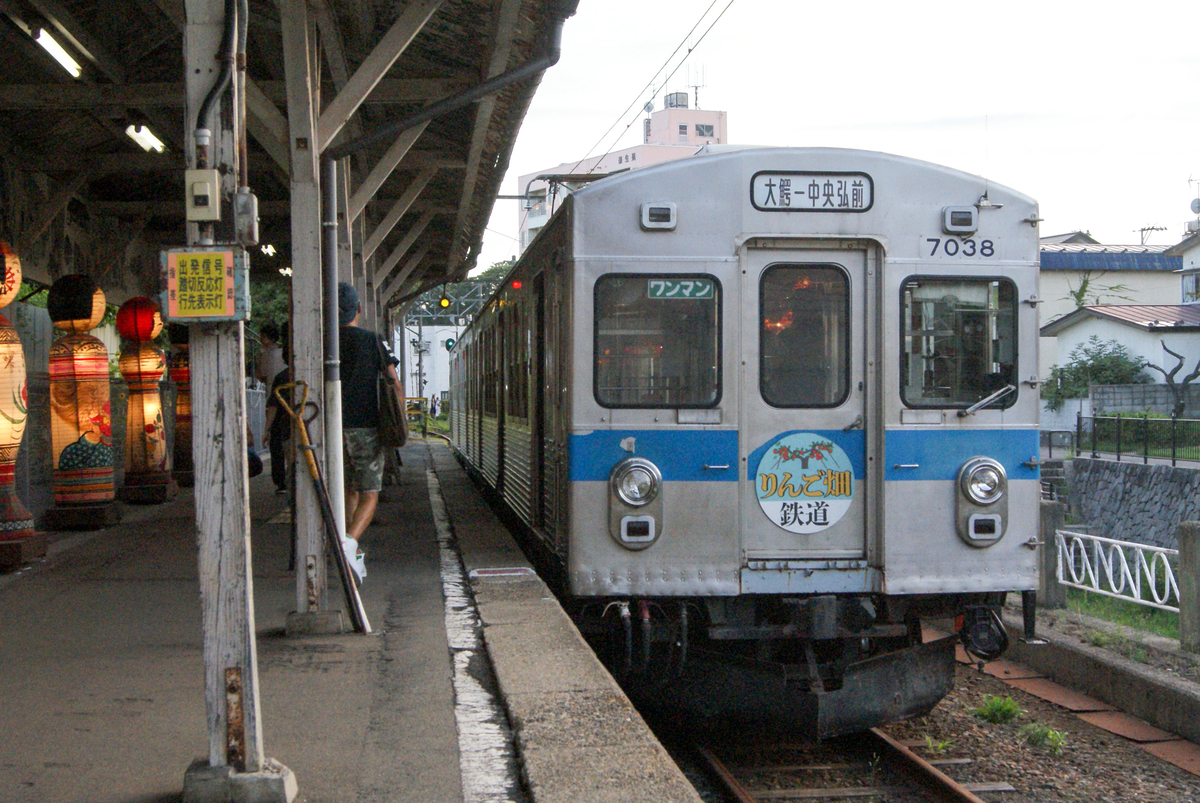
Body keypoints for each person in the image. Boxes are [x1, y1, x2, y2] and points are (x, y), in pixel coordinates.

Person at [338, 282, 403, 580]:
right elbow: (394, 381)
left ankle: (353, 551)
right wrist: (400, 421)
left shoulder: (322, 340)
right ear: (359, 311)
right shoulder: (373, 340)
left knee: (348, 489)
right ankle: (348, 544)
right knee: (370, 492)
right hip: (366, 428)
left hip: (331, 429)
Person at [262, 323, 290, 495]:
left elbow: (272, 405)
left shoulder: (281, 377)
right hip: (301, 424)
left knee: (278, 448)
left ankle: (282, 483)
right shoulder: (307, 374)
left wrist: (266, 429)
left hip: (282, 423)